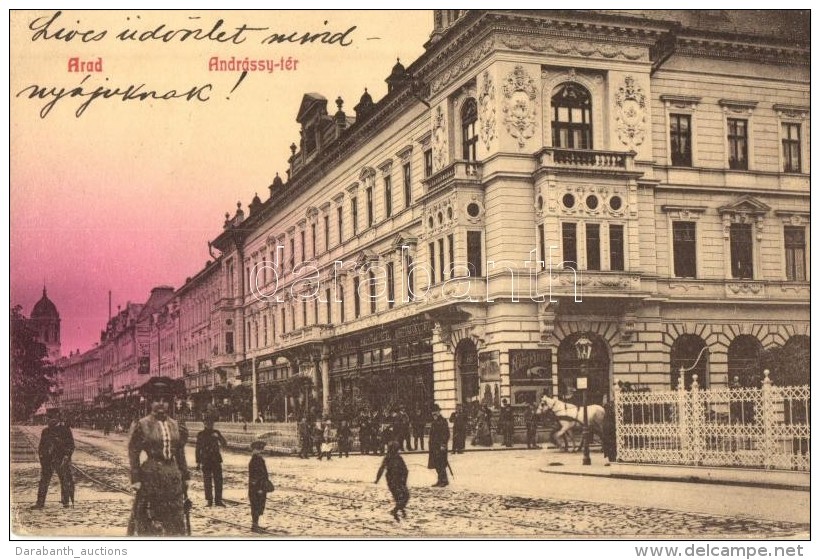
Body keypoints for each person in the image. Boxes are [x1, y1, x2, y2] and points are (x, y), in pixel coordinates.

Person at [126, 378, 189, 536]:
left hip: (173, 477)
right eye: (156, 400)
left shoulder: (175, 425)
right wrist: (136, 478)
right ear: (150, 403)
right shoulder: (143, 424)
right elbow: (133, 451)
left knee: (175, 519)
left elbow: (180, 452)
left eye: (164, 401)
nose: (161, 404)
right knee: (150, 518)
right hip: (151, 476)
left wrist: (185, 475)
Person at [32, 410, 75, 509]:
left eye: (52, 418)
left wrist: (66, 456)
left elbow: (71, 445)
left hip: (61, 460)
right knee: (44, 481)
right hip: (48, 461)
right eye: (49, 418)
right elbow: (41, 447)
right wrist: (42, 459)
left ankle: (66, 502)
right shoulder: (45, 431)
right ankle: (40, 503)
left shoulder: (65, 430)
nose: (50, 420)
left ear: (57, 419)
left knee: (64, 480)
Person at [195, 413, 228, 507]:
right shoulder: (200, 434)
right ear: (204, 423)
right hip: (206, 460)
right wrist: (198, 462)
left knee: (219, 480)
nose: (209, 424)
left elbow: (224, 444)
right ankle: (209, 500)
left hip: (216, 460)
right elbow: (198, 449)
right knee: (207, 481)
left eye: (211, 423)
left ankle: (218, 500)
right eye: (207, 422)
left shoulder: (216, 432)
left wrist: (219, 437)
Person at [375, 441, 409, 521]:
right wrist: (404, 480)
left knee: (401, 497)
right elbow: (406, 471)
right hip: (396, 480)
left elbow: (381, 469)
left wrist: (377, 479)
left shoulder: (390, 458)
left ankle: (399, 509)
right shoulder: (395, 458)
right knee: (404, 496)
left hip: (394, 480)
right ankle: (396, 510)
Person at [248, 440, 271, 533]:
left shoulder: (259, 459)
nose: (259, 451)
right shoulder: (254, 460)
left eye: (261, 449)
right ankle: (254, 525)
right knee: (256, 506)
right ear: (253, 450)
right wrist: (259, 489)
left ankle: (256, 525)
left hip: (261, 487)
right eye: (257, 449)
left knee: (260, 505)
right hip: (256, 488)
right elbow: (255, 477)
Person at [427, 404, 450, 487]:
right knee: (436, 464)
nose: (434, 415)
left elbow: (446, 434)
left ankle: (444, 480)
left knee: (441, 464)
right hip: (434, 447)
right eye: (432, 413)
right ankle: (440, 480)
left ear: (438, 412)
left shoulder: (443, 421)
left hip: (440, 447)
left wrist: (443, 444)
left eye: (435, 413)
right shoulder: (434, 421)